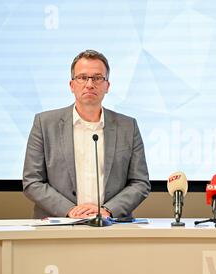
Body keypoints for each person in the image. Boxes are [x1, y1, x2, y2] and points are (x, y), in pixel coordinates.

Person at [23, 49, 150, 219]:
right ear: (72, 85)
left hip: (111, 226)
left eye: (97, 78)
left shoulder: (128, 126)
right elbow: (32, 181)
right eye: (82, 77)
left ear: (107, 86)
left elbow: (139, 182)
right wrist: (69, 210)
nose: (90, 84)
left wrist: (107, 210)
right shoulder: (45, 124)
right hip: (57, 226)